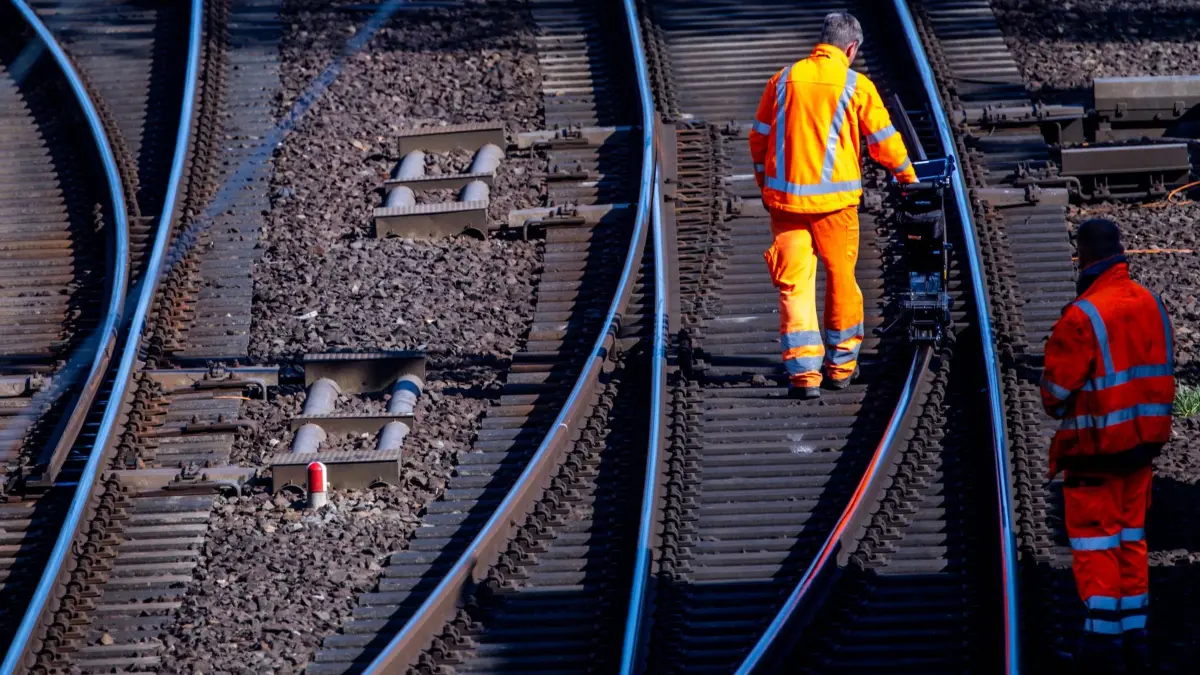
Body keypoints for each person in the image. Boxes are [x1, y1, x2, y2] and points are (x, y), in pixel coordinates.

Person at [749, 12, 918, 400]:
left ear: (822, 40)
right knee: (841, 278)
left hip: (787, 205)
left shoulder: (783, 80)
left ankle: (804, 374)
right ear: (851, 48)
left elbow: (758, 139)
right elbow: (884, 141)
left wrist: (764, 184)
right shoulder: (855, 85)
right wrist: (908, 178)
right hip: (836, 208)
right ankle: (841, 368)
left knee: (794, 284)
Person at [1040, 218, 1175, 674]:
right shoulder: (1151, 303)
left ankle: (1102, 645)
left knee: (1097, 546)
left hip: (1095, 454)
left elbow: (1054, 396)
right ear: (1120, 252)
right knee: (1130, 541)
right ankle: (1135, 637)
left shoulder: (1083, 315)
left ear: (1082, 256)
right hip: (1141, 451)